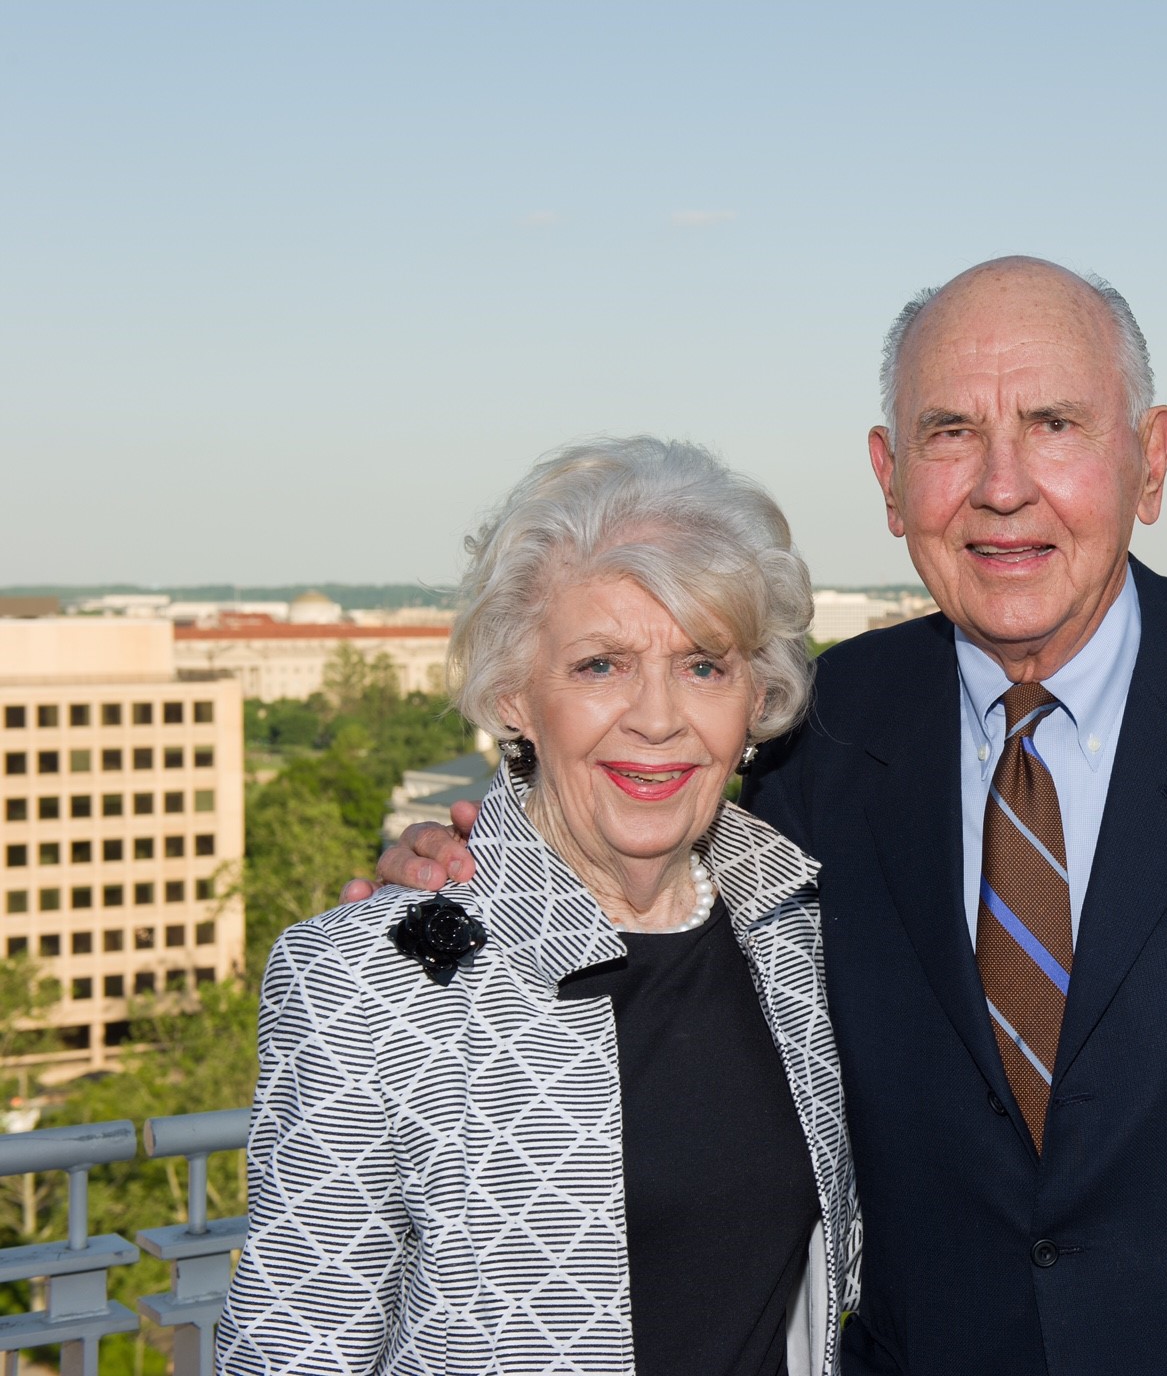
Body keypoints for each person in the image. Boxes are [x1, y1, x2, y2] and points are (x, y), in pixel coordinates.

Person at [365, 259, 1167, 1374]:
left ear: (1149, 460)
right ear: (889, 478)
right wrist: (457, 877)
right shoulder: (816, 732)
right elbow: (636, 874)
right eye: (950, 433)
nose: (1000, 486)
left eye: (1054, 424)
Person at [227, 439, 858, 1376]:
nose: (657, 718)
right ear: (514, 696)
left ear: (755, 698)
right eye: (601, 666)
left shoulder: (802, 937)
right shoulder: (366, 983)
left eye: (703, 667)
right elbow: (293, 1350)